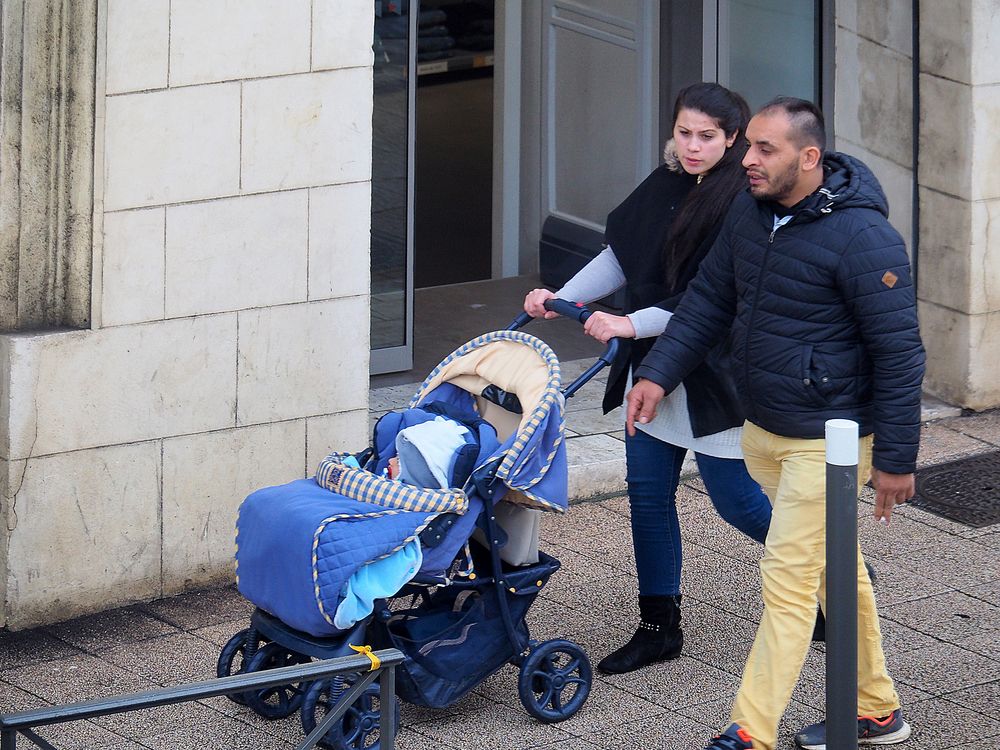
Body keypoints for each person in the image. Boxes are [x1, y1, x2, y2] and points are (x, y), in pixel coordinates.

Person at [626, 97, 924, 750]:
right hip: (762, 428)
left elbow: (900, 352)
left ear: (809, 157)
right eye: (749, 147)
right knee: (831, 572)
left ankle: (749, 730)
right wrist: (657, 373)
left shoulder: (863, 237)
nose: (747, 159)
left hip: (830, 442)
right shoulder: (749, 213)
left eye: (764, 149)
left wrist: (897, 460)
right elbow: (708, 300)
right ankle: (877, 708)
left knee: (786, 582)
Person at [523, 82, 772, 675]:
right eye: (684, 132)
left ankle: (837, 577)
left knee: (737, 501)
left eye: (707, 137)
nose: (691, 146)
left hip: (714, 377)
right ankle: (659, 627)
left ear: (733, 139)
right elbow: (622, 254)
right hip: (651, 371)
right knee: (647, 498)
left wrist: (626, 322)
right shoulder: (665, 183)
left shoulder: (744, 203)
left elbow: (710, 302)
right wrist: (562, 297)